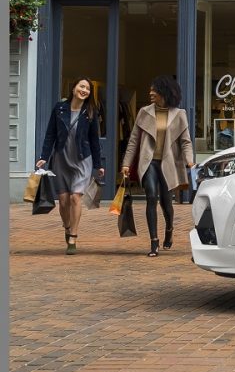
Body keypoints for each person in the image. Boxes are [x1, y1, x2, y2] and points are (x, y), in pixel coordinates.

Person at [121, 76, 194, 257]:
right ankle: (154, 242)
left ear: (165, 93)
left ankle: (169, 228)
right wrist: (126, 164)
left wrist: (190, 161)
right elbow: (133, 141)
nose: (151, 93)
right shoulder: (144, 112)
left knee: (166, 202)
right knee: (151, 197)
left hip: (168, 164)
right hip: (148, 162)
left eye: (155, 90)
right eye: (151, 89)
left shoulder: (179, 114)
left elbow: (186, 142)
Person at [37, 77, 106, 255]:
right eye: (81, 86)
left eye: (88, 89)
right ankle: (67, 226)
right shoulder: (59, 108)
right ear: (74, 87)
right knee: (63, 200)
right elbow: (50, 133)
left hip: (82, 159)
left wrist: (98, 164)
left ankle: (73, 236)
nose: (84, 90)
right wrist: (43, 157)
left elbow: (94, 139)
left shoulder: (90, 111)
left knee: (76, 198)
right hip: (61, 158)